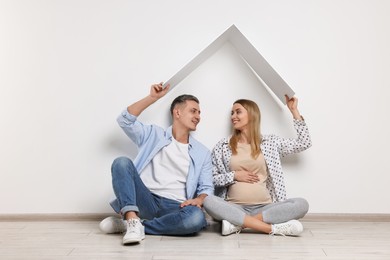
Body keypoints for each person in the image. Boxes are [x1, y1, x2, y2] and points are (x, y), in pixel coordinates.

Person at [99, 82, 214, 244]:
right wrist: (152, 98)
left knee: (196, 218)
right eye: (193, 111)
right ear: (177, 113)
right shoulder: (153, 134)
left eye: (199, 113)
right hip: (145, 200)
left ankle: (131, 225)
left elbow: (207, 188)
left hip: (176, 207)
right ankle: (132, 218)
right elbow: (124, 121)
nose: (198, 116)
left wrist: (200, 199)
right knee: (121, 163)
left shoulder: (202, 153)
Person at [203, 95, 312, 237]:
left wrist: (294, 111)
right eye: (232, 113)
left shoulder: (270, 142)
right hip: (233, 207)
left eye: (238, 112)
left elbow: (304, 143)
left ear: (251, 114)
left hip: (265, 208)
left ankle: (239, 225)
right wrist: (234, 175)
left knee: (302, 204)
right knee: (208, 200)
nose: (233, 116)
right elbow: (212, 178)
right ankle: (272, 229)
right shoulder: (223, 146)